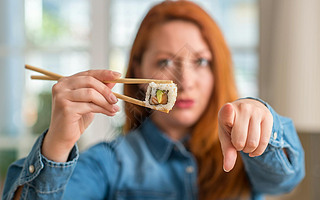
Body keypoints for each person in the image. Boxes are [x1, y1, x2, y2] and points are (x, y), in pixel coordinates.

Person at [3, 1, 304, 200]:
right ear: (139, 72)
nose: (184, 82)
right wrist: (56, 146)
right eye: (164, 62)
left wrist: (264, 123)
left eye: (200, 62)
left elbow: (284, 180)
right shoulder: (111, 162)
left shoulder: (240, 153)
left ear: (218, 70)